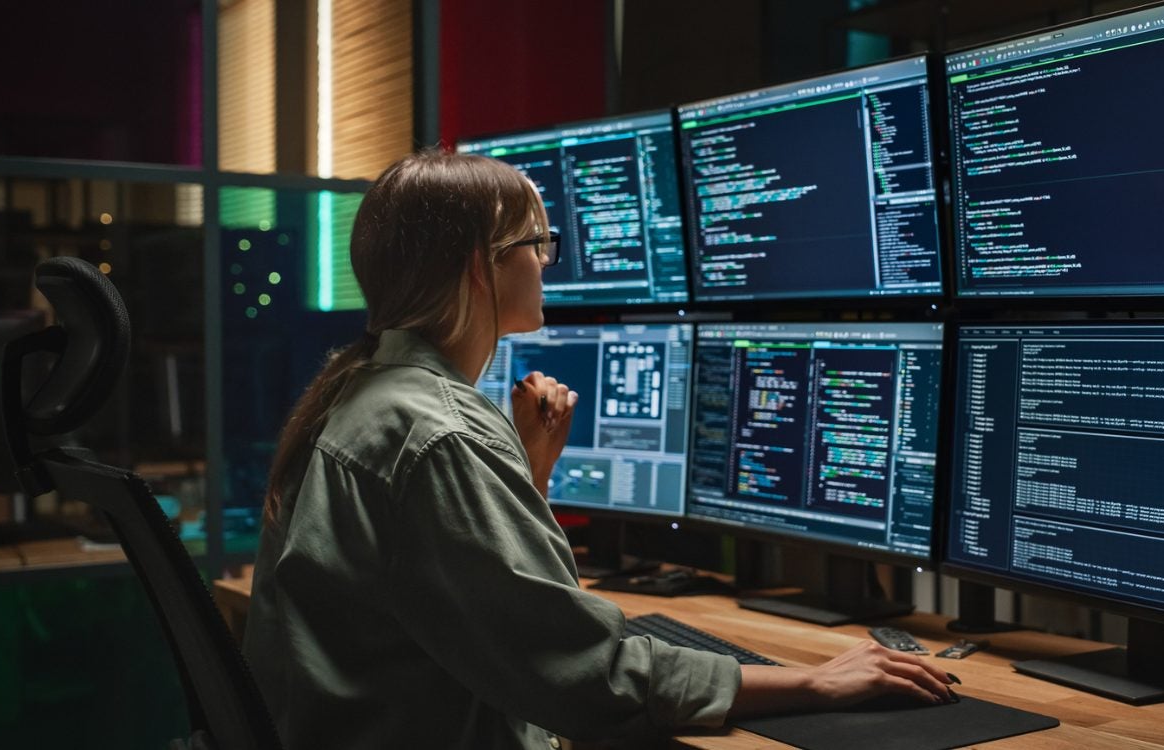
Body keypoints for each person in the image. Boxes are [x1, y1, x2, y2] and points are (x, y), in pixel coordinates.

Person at [241, 149, 956, 748]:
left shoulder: (365, 394)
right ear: (479, 268)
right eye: (537, 243)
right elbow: (586, 674)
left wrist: (526, 479)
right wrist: (814, 680)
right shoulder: (438, 435)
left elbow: (475, 607)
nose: (547, 262)